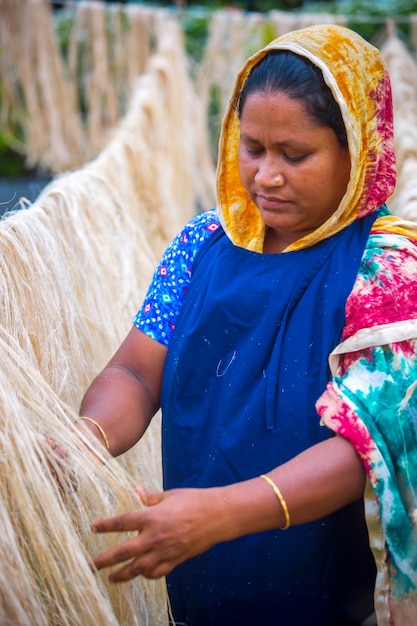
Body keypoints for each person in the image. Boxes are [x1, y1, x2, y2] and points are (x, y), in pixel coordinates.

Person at [77, 24, 417, 626]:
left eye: (295, 154)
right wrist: (87, 437)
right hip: (198, 573)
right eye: (252, 147)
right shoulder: (202, 243)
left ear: (358, 151)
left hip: (330, 594)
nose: (265, 175)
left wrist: (220, 514)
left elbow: (367, 443)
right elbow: (135, 370)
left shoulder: (389, 269)